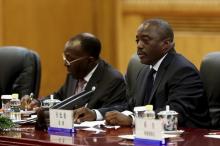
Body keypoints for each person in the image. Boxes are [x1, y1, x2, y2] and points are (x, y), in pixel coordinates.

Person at [104, 19, 210, 128]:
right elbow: (132, 106)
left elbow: (175, 113)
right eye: (137, 40)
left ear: (165, 44)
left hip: (188, 138)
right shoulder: (145, 71)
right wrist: (97, 114)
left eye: (145, 40)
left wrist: (133, 120)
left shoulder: (183, 71)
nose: (139, 46)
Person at [23, 32, 126, 123]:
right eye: (65, 58)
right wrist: (38, 102)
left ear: (90, 60)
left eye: (69, 60)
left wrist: (94, 114)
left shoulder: (112, 79)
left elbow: (120, 108)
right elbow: (59, 96)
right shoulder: (74, 73)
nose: (65, 64)